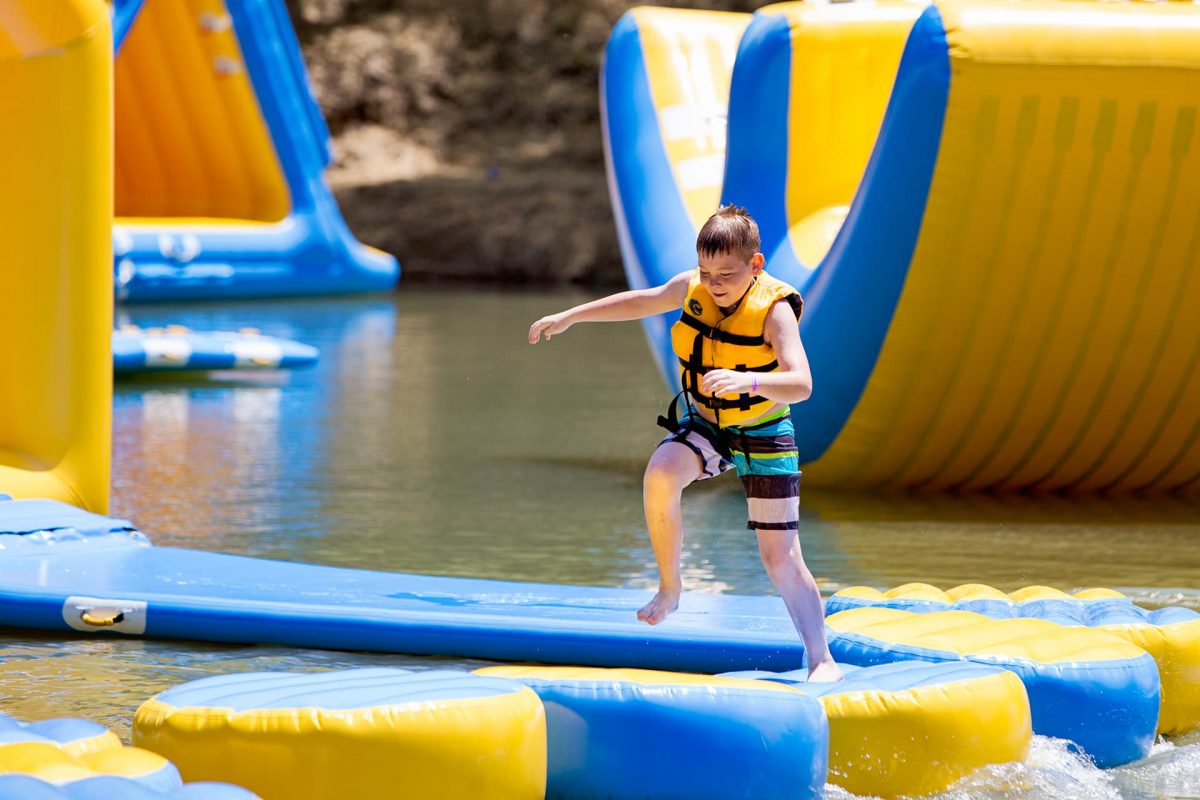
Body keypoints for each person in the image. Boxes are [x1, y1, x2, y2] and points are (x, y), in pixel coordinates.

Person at [527, 205, 842, 681]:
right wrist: (572, 315)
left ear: (756, 265)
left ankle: (822, 658)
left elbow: (802, 384)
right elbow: (641, 300)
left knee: (780, 555)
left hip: (763, 428)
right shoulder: (693, 287)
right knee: (660, 473)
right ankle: (670, 588)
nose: (714, 284)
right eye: (707, 272)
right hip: (708, 423)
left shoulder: (775, 311)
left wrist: (748, 384)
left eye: (727, 274)